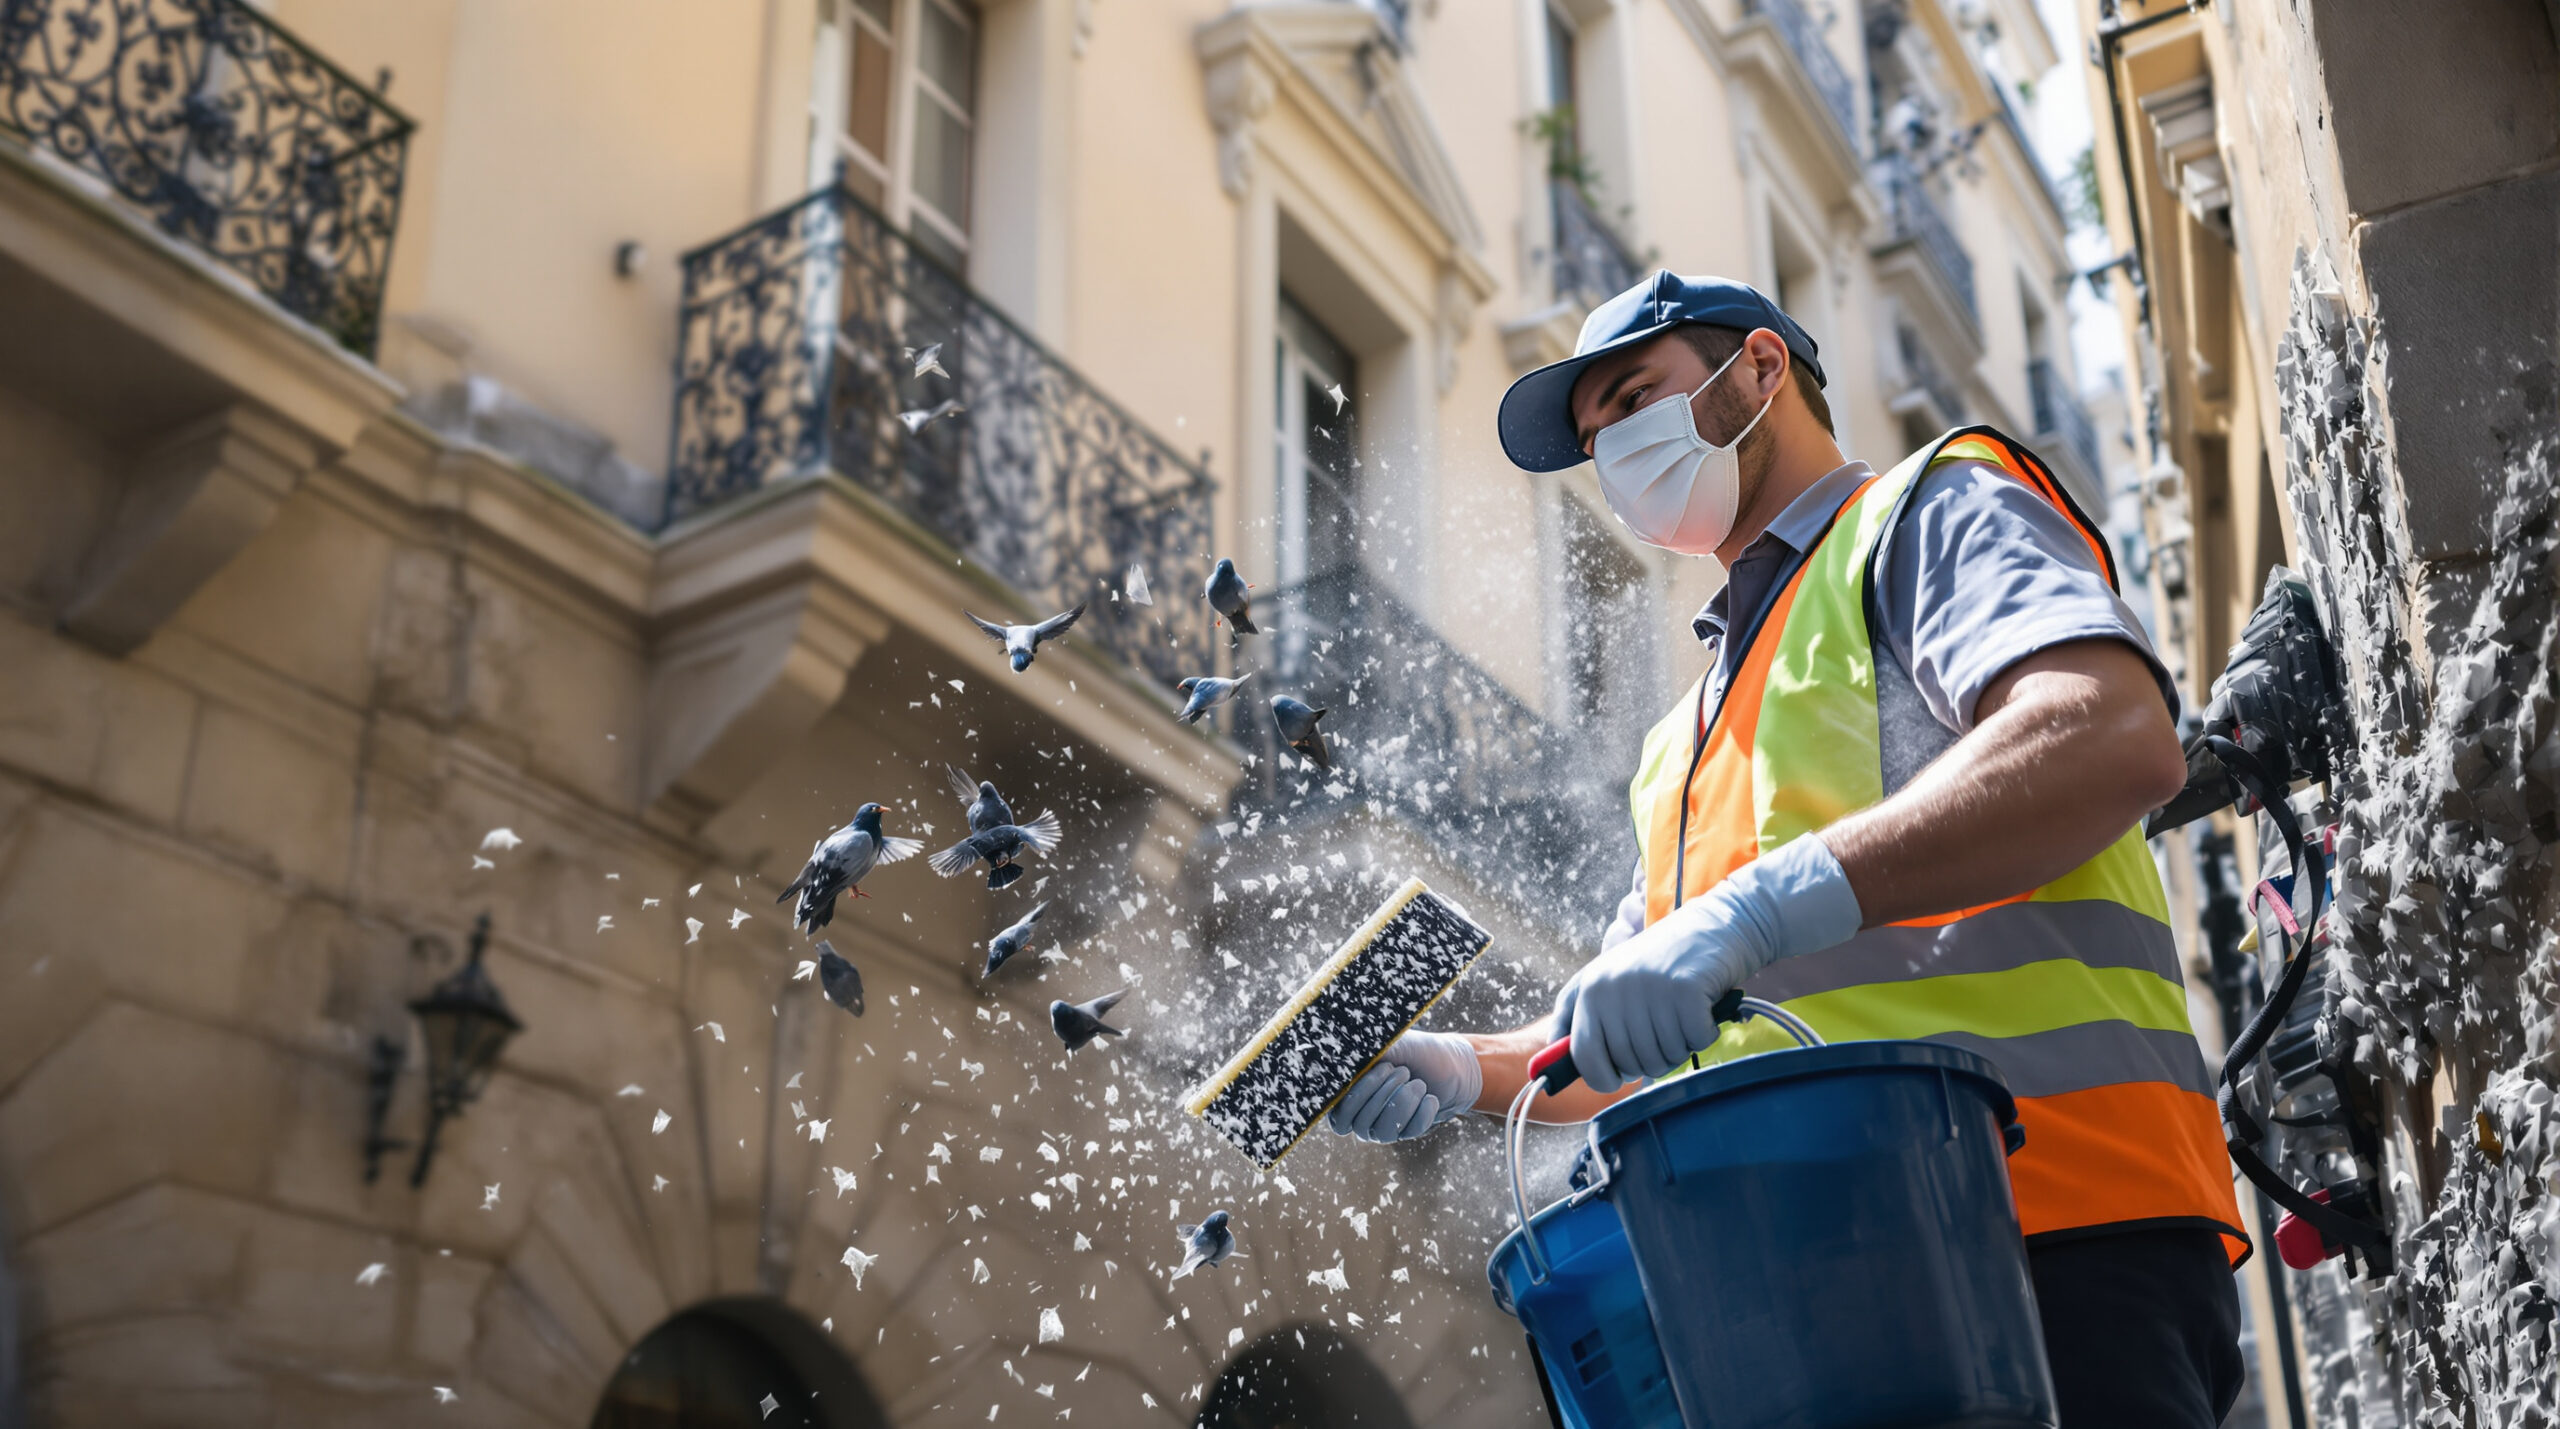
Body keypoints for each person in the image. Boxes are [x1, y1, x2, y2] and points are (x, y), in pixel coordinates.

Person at [1325, 272, 2249, 1428]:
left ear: (1760, 369)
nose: (1612, 448)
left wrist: (1752, 914)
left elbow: (2109, 735)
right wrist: (1465, 1067)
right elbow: (1621, 1039)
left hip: (2045, 1238)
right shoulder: (1681, 738)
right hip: (1800, 1295)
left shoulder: (1926, 509)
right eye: (1592, 435)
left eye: (1632, 397)